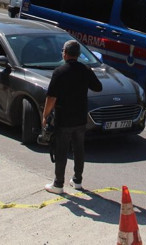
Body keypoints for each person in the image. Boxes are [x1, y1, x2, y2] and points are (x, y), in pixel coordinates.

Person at [42, 40, 102, 194]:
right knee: (79, 149)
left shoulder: (59, 72)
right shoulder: (85, 69)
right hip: (80, 117)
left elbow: (51, 97)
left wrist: (45, 115)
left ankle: (58, 184)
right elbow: (98, 87)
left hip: (64, 118)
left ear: (65, 54)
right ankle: (77, 181)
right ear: (79, 54)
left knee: (61, 150)